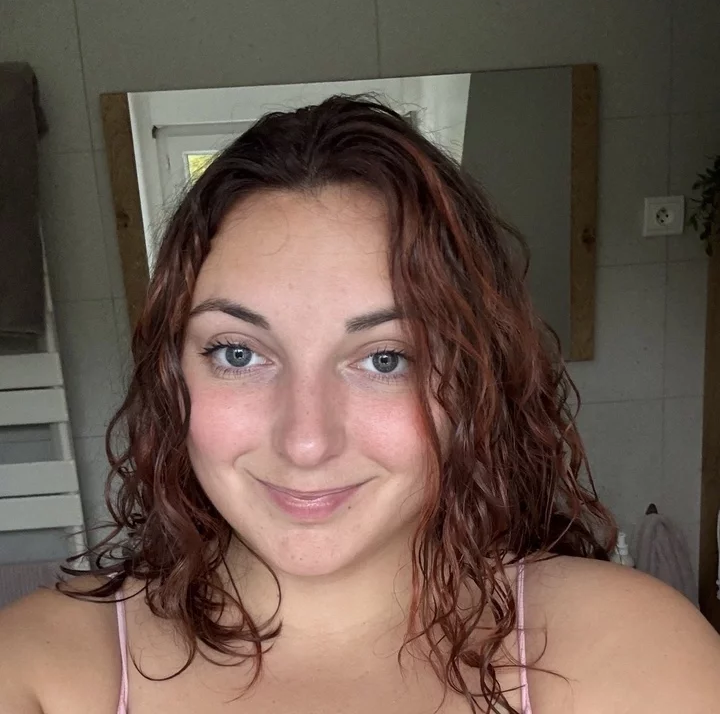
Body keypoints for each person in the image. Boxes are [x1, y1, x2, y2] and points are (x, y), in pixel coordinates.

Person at [1, 95, 719, 714]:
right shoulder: (41, 670)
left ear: (473, 382)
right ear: (172, 376)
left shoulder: (634, 653)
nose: (306, 441)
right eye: (239, 353)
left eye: (386, 358)